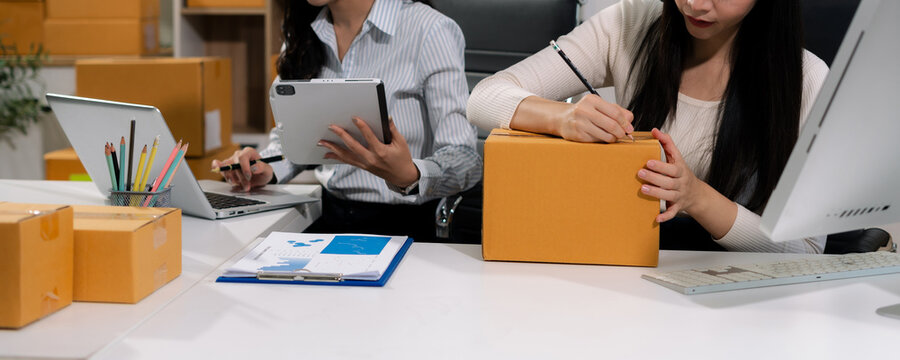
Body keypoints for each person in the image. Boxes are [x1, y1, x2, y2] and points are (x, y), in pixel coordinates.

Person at [467, 0, 828, 253]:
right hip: (620, 270)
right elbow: (483, 98)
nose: (695, 4)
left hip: (738, 298)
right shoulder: (628, 25)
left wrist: (696, 197)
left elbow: (808, 249)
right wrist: (563, 117)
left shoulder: (805, 78)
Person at [213, 0, 482, 242]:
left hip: (406, 227)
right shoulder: (303, 29)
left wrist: (411, 175)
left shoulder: (429, 29)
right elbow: (301, 136)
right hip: (328, 216)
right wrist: (266, 167)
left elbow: (465, 159)